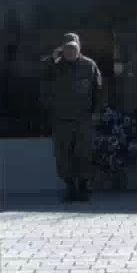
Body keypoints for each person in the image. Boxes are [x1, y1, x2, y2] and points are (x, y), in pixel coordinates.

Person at [44, 33, 104, 202]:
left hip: (83, 119)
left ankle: (84, 187)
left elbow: (98, 91)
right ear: (62, 49)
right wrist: (52, 59)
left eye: (74, 48)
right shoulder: (55, 66)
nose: (71, 51)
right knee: (64, 157)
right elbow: (40, 75)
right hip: (61, 120)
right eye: (67, 48)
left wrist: (97, 112)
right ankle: (70, 187)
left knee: (84, 154)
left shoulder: (89, 66)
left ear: (79, 47)